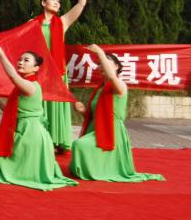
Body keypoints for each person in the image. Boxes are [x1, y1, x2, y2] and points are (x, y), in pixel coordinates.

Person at [0, 44, 77, 191]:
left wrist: (0, 53)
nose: (21, 62)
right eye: (20, 59)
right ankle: (1, 169)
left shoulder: (31, 86)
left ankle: (3, 170)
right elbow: (16, 113)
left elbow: (13, 76)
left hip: (30, 133)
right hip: (23, 128)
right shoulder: (25, 85)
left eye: (26, 60)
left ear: (36, 68)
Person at [70, 45, 164, 183]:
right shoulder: (100, 89)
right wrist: (83, 111)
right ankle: (96, 170)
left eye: (106, 62)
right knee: (78, 145)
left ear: (117, 67)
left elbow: (111, 77)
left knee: (80, 145)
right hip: (96, 130)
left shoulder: (119, 85)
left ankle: (97, 171)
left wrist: (100, 52)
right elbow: (95, 118)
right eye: (100, 64)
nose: (102, 65)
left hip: (112, 132)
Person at [38, 0, 90, 153]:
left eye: (58, 1)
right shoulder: (32, 25)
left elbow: (80, 5)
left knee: (56, 106)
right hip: (40, 73)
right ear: (43, 2)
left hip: (57, 72)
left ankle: (58, 140)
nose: (56, 3)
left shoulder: (62, 22)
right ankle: (43, 139)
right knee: (42, 106)